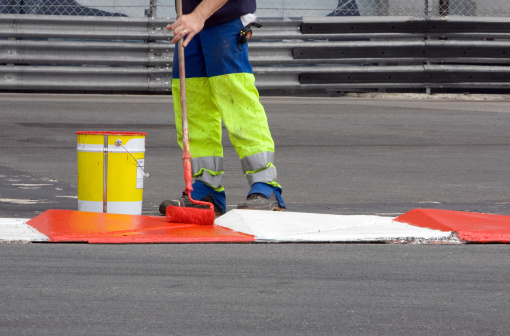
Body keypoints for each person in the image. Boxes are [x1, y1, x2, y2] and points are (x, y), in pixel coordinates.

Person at [159, 0, 285, 216]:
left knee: (238, 105)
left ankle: (266, 187)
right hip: (191, 23)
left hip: (223, 20)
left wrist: (198, 16)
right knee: (194, 106)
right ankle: (206, 188)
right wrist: (194, 18)